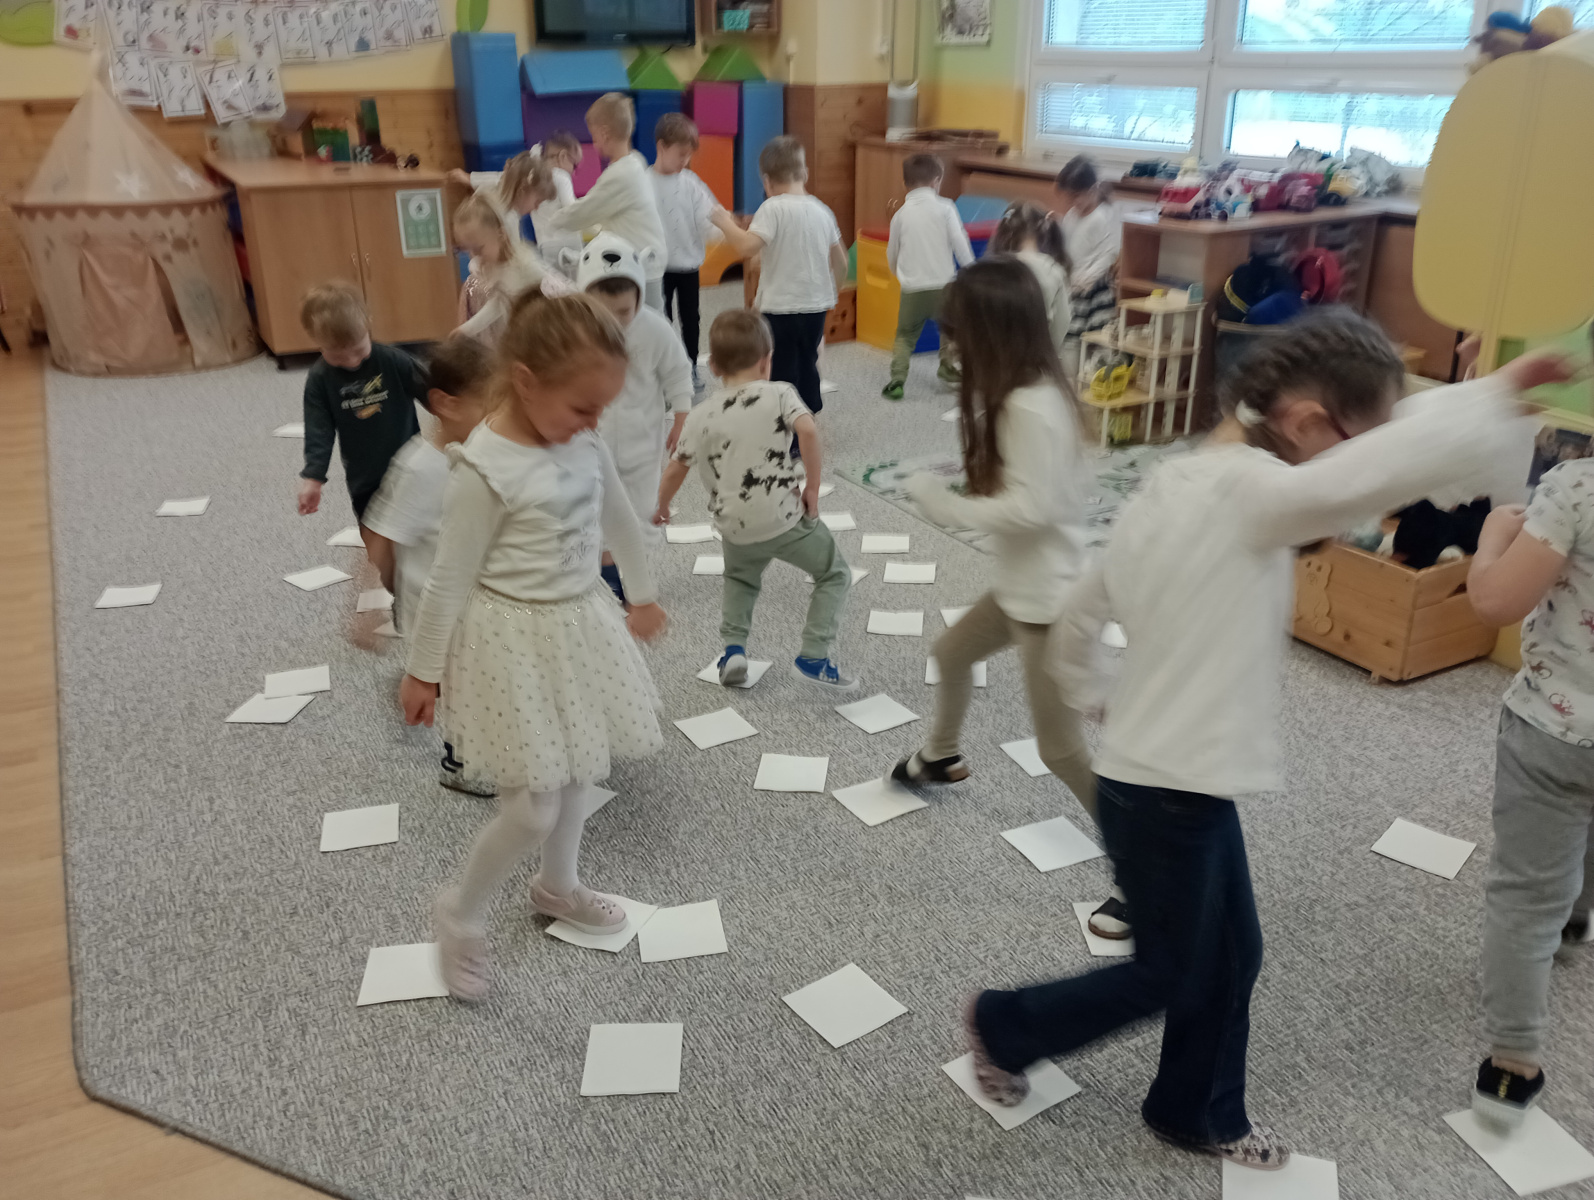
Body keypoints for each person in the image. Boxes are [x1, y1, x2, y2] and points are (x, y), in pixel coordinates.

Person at [962, 310, 1564, 1173]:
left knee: (1232, 954)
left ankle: (1190, 1109)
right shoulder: (1248, 493)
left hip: (1175, 779)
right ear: (1307, 422)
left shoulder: (1178, 481)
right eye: (1350, 441)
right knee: (1171, 970)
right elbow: (1371, 469)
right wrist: (1495, 395)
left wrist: (1092, 688)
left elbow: (1085, 603)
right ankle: (1004, 1025)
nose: (1364, 489)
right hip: (1165, 787)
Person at [401, 291, 669, 1000]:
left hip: (577, 625)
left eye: (602, 409)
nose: (594, 422)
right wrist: (423, 672)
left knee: (577, 768)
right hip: (510, 640)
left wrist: (641, 594)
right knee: (530, 809)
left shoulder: (583, 441)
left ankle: (558, 885)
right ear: (525, 381)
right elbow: (449, 578)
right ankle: (460, 913)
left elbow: (620, 518)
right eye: (583, 407)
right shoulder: (484, 467)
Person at [892, 257, 1094, 816]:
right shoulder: (1033, 390)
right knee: (951, 653)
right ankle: (940, 755)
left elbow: (1034, 509)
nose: (954, 349)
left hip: (1047, 604)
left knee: (1061, 751)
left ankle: (1139, 857)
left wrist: (944, 504)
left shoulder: (1029, 408)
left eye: (960, 337)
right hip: (1023, 588)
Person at [1464, 457, 1594, 1128]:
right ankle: (1574, 920)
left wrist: (1492, 539)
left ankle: (1512, 1065)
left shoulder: (1576, 487)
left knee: (1523, 896)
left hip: (1556, 729)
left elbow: (1495, 601)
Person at [655, 309, 857, 690]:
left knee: (740, 581)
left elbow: (675, 468)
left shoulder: (699, 415)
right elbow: (809, 432)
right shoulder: (780, 393)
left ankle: (734, 651)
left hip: (734, 526)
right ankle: (813, 655)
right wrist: (812, 488)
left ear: (713, 367)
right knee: (834, 573)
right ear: (767, 361)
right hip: (784, 517)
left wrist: (662, 506)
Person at [363, 335, 497, 798]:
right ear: (446, 404)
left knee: (486, 676)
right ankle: (458, 762)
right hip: (434, 606)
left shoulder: (482, 452)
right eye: (491, 405)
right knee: (462, 688)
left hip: (476, 598)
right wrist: (370, 605)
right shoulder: (420, 468)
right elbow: (380, 535)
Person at [576, 232, 693, 603]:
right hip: (590, 442)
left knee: (640, 510)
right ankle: (608, 576)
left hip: (642, 442)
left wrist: (682, 414)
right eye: (604, 313)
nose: (615, 322)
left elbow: (677, 371)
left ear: (640, 298)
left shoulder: (654, 329)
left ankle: (630, 573)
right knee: (594, 509)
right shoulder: (576, 332)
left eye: (624, 312)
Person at [710, 136, 847, 418]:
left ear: (767, 182)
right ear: (805, 174)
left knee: (782, 367)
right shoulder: (823, 210)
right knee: (808, 360)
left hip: (781, 309)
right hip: (816, 307)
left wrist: (724, 222)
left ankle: (787, 426)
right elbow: (841, 262)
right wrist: (832, 292)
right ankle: (808, 413)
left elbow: (747, 247)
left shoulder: (772, 208)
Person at [296, 283, 422, 530]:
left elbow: (437, 395)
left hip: (410, 467)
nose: (352, 362)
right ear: (315, 341)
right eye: (338, 356)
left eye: (358, 350)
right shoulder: (320, 379)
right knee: (374, 534)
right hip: (365, 478)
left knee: (419, 530)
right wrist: (313, 477)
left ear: (368, 325)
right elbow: (318, 430)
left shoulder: (393, 361)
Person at [540, 94, 669, 310]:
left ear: (605, 134)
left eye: (594, 137)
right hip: (641, 259)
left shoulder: (621, 174)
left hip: (643, 264)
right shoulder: (634, 161)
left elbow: (582, 212)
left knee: (650, 319)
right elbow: (601, 210)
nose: (594, 143)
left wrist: (551, 222)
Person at [881, 153, 973, 400]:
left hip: (913, 288)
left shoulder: (900, 215)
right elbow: (960, 242)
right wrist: (971, 269)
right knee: (950, 330)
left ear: (904, 184)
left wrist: (899, 274)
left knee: (905, 335)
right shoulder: (946, 208)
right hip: (944, 285)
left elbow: (892, 253)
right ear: (937, 181)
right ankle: (947, 367)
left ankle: (897, 380)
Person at [648, 112, 720, 378]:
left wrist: (724, 228)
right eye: (680, 155)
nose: (685, 161)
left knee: (691, 319)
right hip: (658, 268)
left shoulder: (690, 183)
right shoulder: (644, 182)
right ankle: (666, 369)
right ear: (662, 147)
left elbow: (709, 217)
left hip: (688, 266)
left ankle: (690, 364)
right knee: (661, 319)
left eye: (688, 156)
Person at [448, 155, 557, 326]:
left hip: (494, 284)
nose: (536, 208)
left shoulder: (502, 205)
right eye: (537, 201)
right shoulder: (505, 218)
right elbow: (509, 268)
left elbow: (499, 177)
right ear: (522, 191)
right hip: (494, 287)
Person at [452, 192, 555, 345]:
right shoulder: (494, 267)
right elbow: (499, 303)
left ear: (501, 234)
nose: (474, 256)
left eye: (478, 249)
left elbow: (558, 298)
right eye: (468, 250)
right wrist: (466, 330)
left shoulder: (526, 267)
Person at [1053, 156, 1121, 375]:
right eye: (1069, 197)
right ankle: (1070, 383)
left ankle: (1088, 382)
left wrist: (1086, 279)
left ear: (1092, 190)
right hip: (1072, 288)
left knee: (1094, 343)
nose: (1073, 202)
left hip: (1093, 292)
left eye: (1076, 196)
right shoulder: (1071, 215)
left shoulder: (1102, 216)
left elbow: (1108, 254)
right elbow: (1068, 249)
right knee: (1069, 340)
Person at [988, 201, 1072, 365]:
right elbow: (1062, 321)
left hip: (995, 357)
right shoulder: (1053, 270)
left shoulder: (993, 268)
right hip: (1037, 358)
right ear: (1043, 229)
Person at [531, 132, 583, 275]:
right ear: (563, 156)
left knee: (554, 284)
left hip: (546, 246)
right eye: (575, 165)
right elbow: (572, 210)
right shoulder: (561, 177)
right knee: (575, 285)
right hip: (568, 243)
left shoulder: (534, 177)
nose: (574, 172)